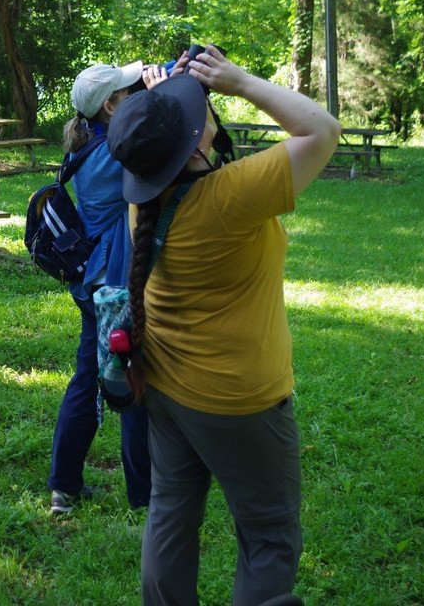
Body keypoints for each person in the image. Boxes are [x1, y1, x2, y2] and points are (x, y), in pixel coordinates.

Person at [106, 47, 340, 606]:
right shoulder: (231, 197)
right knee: (268, 535)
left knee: (171, 511)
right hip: (238, 402)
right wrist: (240, 81)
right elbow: (322, 131)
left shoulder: (142, 196)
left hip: (164, 383)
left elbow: (153, 146)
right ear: (197, 141)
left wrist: (160, 107)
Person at [47, 61, 152, 515]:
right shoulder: (115, 147)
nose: (136, 96)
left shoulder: (90, 141)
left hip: (95, 279)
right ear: (110, 106)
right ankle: (144, 498)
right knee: (131, 380)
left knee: (90, 378)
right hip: (113, 283)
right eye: (127, 93)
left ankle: (64, 486)